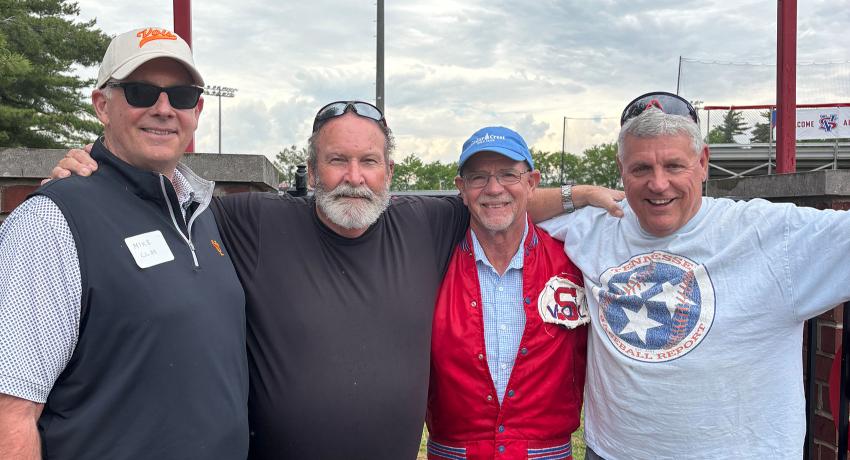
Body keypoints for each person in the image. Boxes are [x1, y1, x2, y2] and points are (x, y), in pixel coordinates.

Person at [49, 100, 623, 459]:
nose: (354, 178)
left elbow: (500, 200)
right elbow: (161, 201)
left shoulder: (424, 220)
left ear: (390, 172)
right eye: (337, 162)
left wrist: (584, 194)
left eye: (368, 161)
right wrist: (94, 175)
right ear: (310, 168)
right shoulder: (251, 221)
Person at [540, 91, 850, 459]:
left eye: (674, 166)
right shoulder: (595, 224)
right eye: (641, 168)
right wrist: (581, 192)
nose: (658, 184)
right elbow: (498, 204)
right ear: (620, 168)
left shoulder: (771, 233)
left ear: (702, 162)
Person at [0, 28, 249, 460]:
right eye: (140, 92)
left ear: (198, 110)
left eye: (182, 96)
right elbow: (9, 412)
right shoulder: (51, 221)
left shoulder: (201, 214)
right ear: (102, 105)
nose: (164, 109)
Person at [426, 127, 588, 460]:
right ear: (462, 189)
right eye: (478, 177)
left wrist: (587, 193)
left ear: (532, 182)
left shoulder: (574, 261)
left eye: (508, 175)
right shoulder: (431, 266)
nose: (494, 188)